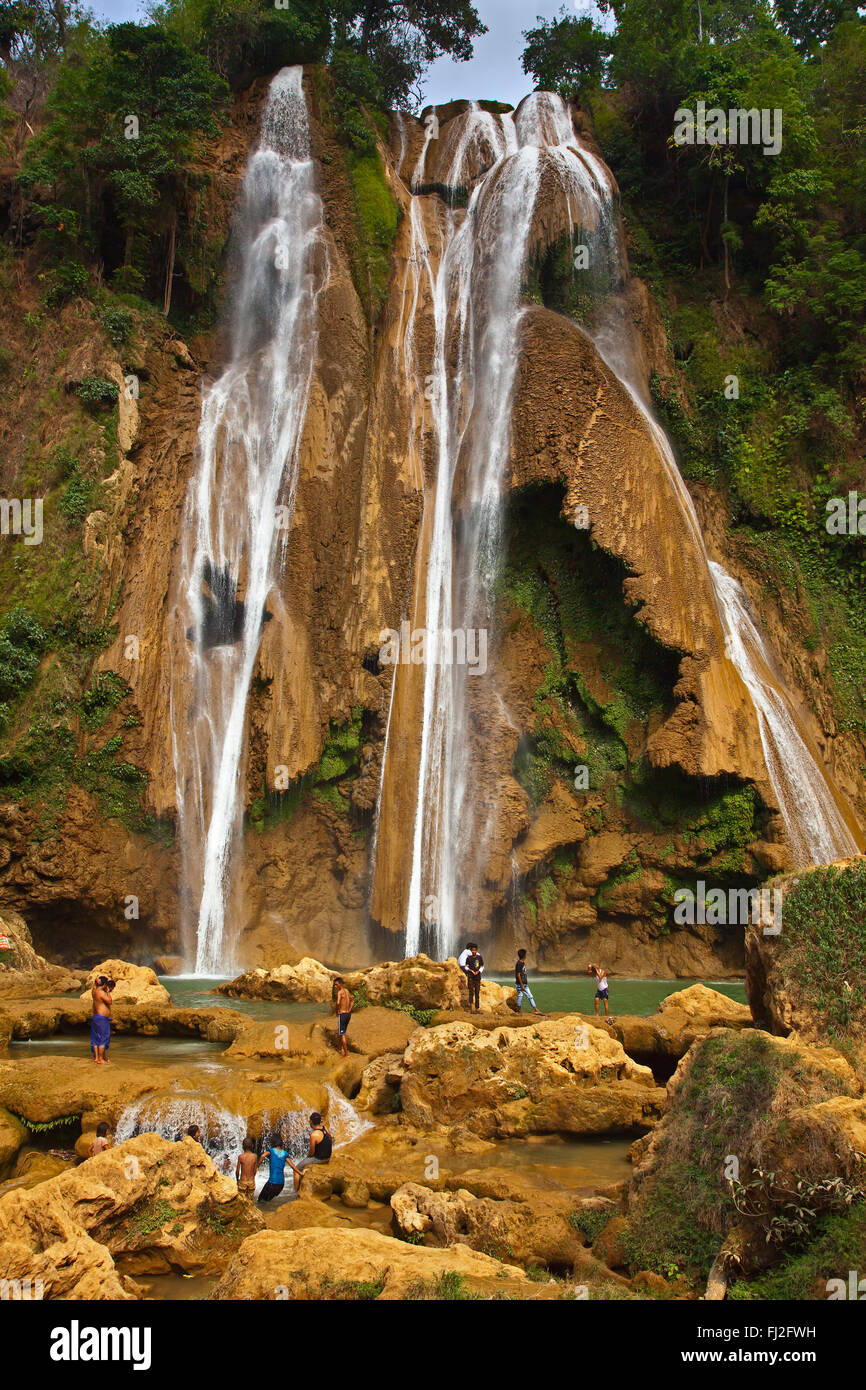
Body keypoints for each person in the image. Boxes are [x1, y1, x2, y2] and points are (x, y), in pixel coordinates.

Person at [288, 1112, 333, 1193]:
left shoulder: (314, 1134)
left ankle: (295, 1192)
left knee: (297, 1169)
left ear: (311, 1122)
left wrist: (307, 1158)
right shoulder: (325, 1128)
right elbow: (330, 1139)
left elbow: (312, 1153)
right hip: (328, 1157)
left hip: (319, 1159)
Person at [90, 975, 114, 1065]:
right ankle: (100, 1059)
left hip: (97, 1017)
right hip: (101, 1018)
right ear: (104, 985)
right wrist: (108, 992)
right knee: (103, 1038)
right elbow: (109, 1001)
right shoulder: (101, 992)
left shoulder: (94, 991)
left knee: (96, 1038)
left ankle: (96, 1058)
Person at [258, 1136, 289, 1203]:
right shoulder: (284, 1153)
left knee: (260, 1201)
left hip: (272, 1183)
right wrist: (300, 1173)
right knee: (267, 1201)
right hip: (281, 1185)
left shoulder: (271, 1151)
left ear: (272, 1143)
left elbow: (262, 1156)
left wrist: (257, 1167)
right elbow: (292, 1166)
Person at [514, 949, 542, 1014]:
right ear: (524, 956)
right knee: (530, 996)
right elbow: (518, 974)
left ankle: (518, 1011)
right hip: (522, 984)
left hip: (521, 984)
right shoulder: (519, 964)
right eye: (526, 955)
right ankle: (536, 1009)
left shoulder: (521, 963)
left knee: (520, 996)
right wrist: (522, 985)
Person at [333, 976, 354, 1057]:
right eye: (334, 985)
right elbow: (352, 1000)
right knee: (342, 1032)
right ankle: (339, 1048)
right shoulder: (347, 991)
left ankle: (346, 1054)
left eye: (336, 985)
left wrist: (336, 1011)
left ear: (340, 984)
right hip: (348, 1015)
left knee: (342, 1035)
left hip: (342, 1015)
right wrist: (349, 1010)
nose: (335, 986)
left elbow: (338, 1003)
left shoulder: (340, 992)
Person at [464, 943, 484, 1013]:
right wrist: (470, 970)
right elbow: (466, 966)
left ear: (477, 950)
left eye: (475, 950)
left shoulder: (479, 957)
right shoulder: (468, 958)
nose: (473, 952)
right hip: (470, 977)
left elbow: (482, 966)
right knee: (471, 992)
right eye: (472, 950)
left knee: (477, 992)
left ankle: (477, 1008)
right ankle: (472, 1007)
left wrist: (479, 971)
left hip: (478, 977)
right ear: (470, 951)